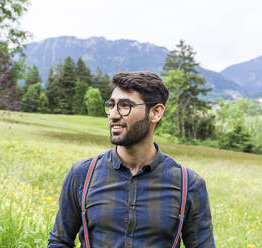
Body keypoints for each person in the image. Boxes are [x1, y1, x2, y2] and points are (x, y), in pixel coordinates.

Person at [48, 71, 215, 247]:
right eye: (111, 105)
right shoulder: (81, 174)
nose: (113, 114)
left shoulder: (189, 184)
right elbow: (59, 241)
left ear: (156, 113)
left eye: (125, 105)